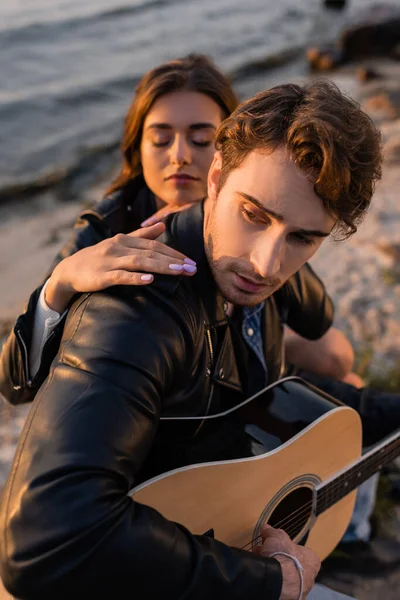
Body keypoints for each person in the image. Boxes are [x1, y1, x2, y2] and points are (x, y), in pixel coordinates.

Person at [0, 79, 390, 600]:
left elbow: (265, 395)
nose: (267, 264)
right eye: (254, 215)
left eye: (303, 238)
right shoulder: (133, 304)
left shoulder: (255, 279)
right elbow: (42, 541)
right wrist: (268, 581)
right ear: (218, 177)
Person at [0, 54, 357, 410]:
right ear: (137, 148)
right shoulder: (108, 227)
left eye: (202, 140)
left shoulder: (265, 217)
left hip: (242, 374)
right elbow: (14, 386)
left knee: (338, 357)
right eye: (160, 140)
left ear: (231, 152)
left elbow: (316, 318)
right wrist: (60, 284)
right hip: (173, 397)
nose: (180, 155)